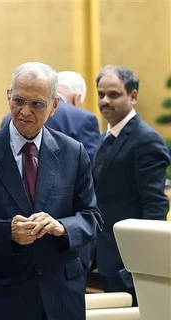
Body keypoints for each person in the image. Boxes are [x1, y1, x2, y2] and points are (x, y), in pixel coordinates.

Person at [0, 62, 103, 320]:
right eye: (18, 100)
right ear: (8, 95)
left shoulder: (73, 152)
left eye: (36, 104)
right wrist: (8, 232)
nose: (24, 111)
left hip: (63, 294)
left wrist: (62, 227)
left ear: (54, 105)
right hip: (6, 295)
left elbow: (91, 217)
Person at [93, 65, 170, 305]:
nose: (105, 101)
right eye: (101, 94)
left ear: (133, 96)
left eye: (113, 95)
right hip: (106, 254)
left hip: (130, 263)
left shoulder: (145, 140)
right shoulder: (107, 135)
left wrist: (142, 263)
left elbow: (155, 205)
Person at [1, 71, 100, 161]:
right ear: (77, 98)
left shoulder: (8, 117)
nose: (26, 112)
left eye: (36, 104)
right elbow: (88, 165)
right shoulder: (84, 119)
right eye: (19, 101)